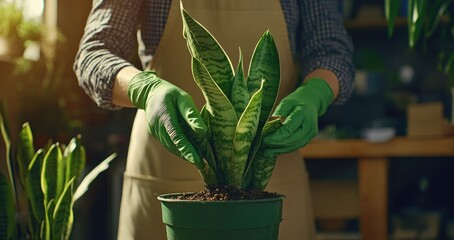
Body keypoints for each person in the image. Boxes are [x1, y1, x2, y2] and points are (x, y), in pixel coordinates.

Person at [74, 0, 354, 239]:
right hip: (164, 175)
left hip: (271, 182)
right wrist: (144, 89)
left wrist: (315, 93)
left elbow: (332, 51)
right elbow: (95, 53)